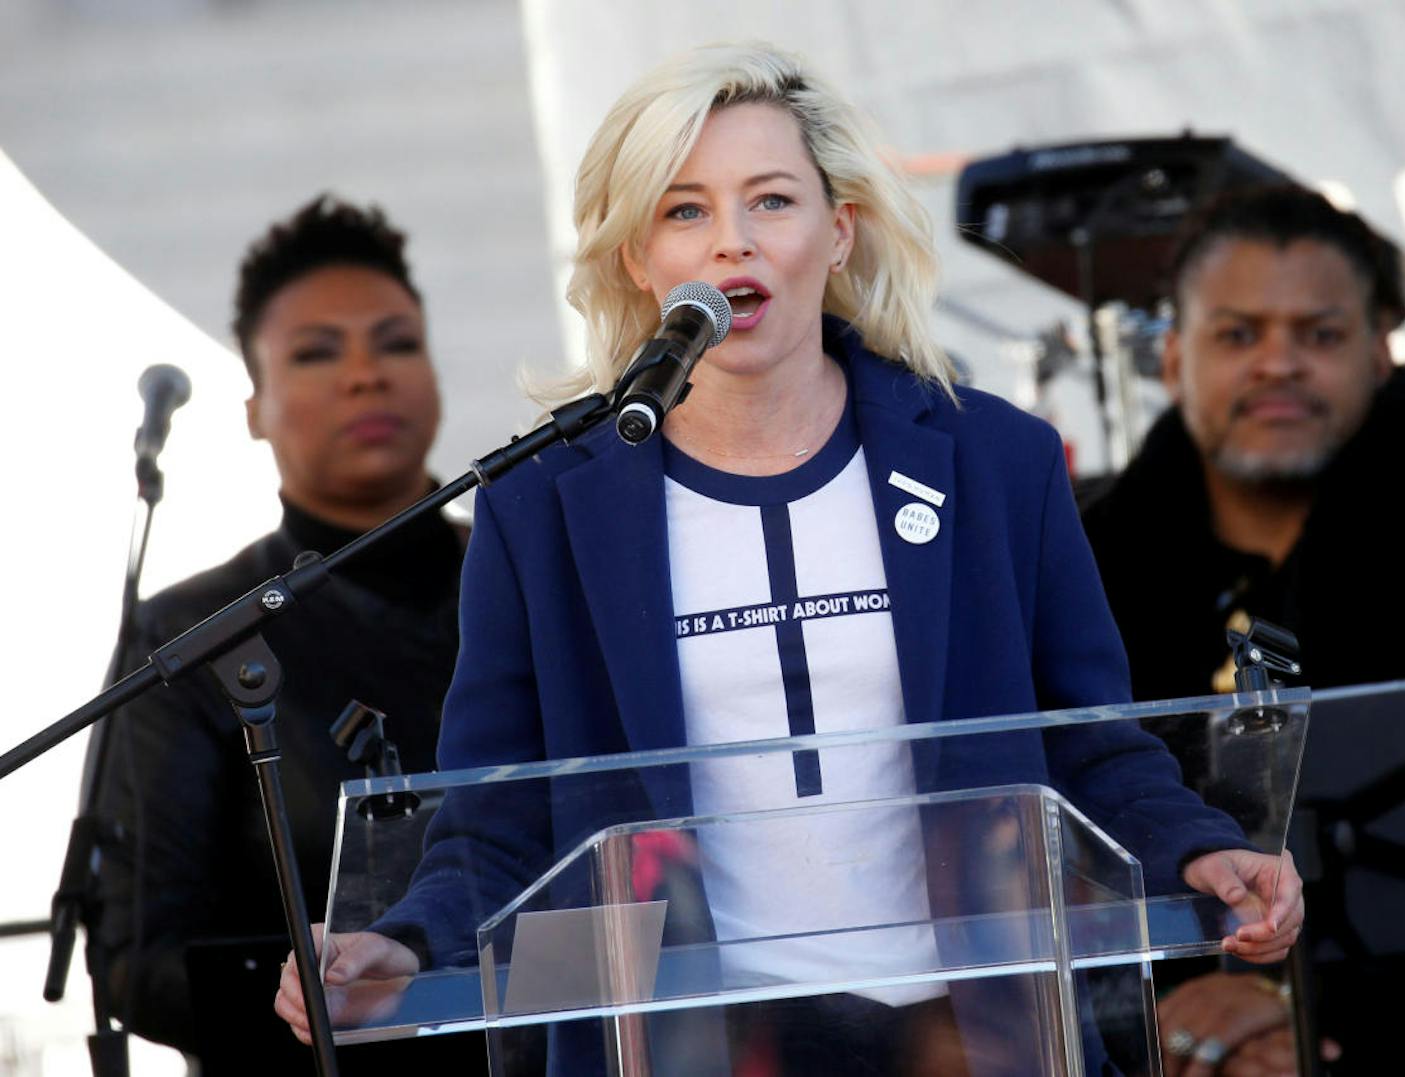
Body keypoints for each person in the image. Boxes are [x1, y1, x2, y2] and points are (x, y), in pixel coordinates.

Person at [274, 45, 1304, 1075]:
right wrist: (401, 940)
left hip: (968, 1038)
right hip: (684, 1047)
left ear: (839, 230)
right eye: (683, 212)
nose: (732, 245)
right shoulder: (539, 508)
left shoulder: (996, 463)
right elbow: (496, 819)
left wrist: (1196, 844)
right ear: (637, 258)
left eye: (770, 201)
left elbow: (1089, 744)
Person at [1080, 186, 1405, 1073]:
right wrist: (1170, 1011)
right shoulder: (1087, 563)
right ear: (1174, 361)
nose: (1279, 363)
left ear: (1379, 355)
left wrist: (1296, 995)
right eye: (1238, 334)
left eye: (1319, 335)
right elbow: (1033, 840)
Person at [89, 195, 483, 1074]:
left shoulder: (527, 581)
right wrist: (316, 990)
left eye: (397, 342)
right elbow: (137, 958)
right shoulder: (193, 633)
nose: (365, 375)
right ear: (255, 408)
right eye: (315, 353)